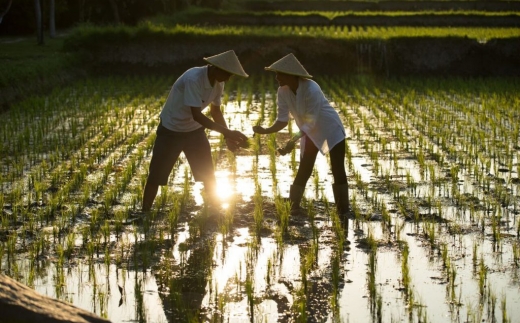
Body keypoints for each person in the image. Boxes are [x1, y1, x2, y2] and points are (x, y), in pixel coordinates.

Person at [142, 50, 249, 212]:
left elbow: (215, 112)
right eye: (227, 74)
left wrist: (227, 137)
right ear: (215, 68)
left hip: (194, 131)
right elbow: (197, 115)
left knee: (208, 173)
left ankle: (215, 211)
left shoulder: (219, 83)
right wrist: (227, 132)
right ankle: (144, 212)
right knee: (156, 174)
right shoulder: (194, 79)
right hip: (172, 129)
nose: (228, 78)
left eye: (231, 75)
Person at [252, 53, 350, 219]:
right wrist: (265, 130)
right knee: (305, 167)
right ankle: (294, 205)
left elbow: (310, 122)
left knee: (337, 168)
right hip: (309, 132)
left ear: (291, 75)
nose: (276, 78)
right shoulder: (282, 91)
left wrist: (291, 141)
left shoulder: (311, 89)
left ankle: (343, 210)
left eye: (279, 74)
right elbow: (282, 119)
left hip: (330, 129)